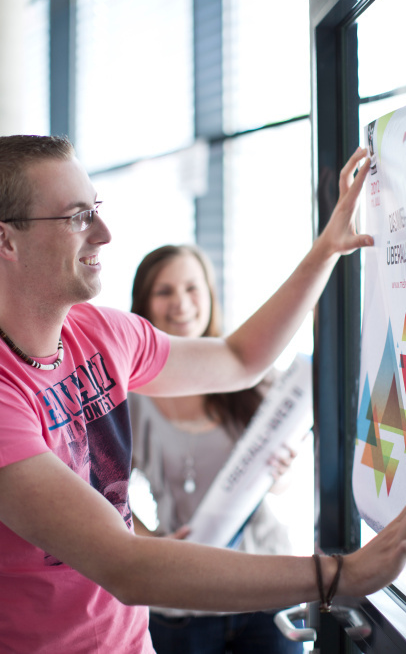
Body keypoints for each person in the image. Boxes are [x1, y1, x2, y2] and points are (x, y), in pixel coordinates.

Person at [0, 134, 406, 654]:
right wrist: (341, 575)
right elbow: (124, 563)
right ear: (4, 240)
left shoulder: (100, 334)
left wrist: (326, 249)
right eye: (77, 218)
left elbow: (239, 359)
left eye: (97, 210)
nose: (106, 234)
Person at [129, 243, 303, 653]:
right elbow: (102, 491)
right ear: (144, 304)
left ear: (210, 295)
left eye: (192, 288)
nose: (181, 303)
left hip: (264, 591)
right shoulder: (128, 398)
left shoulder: (253, 376)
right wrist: (147, 543)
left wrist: (283, 472)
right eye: (164, 291)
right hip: (182, 600)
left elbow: (282, 482)